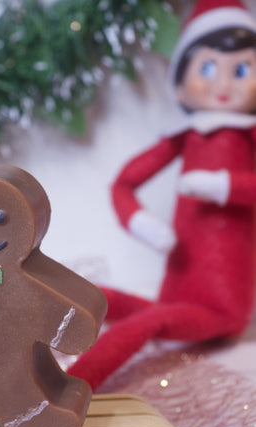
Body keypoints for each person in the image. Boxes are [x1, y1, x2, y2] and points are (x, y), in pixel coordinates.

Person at [68, 0, 256, 390]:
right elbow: (123, 183)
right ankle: (8, 335)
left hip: (222, 310)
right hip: (175, 294)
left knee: (147, 322)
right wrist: (146, 226)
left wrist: (224, 186)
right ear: (180, 81)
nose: (223, 85)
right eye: (207, 68)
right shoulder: (184, 138)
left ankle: (67, 388)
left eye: (241, 69)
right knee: (96, 297)